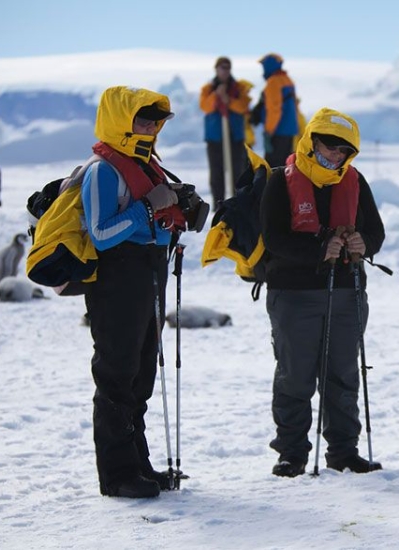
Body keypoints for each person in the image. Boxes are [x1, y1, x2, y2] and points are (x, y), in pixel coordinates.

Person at [260, 107, 386, 477]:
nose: (337, 155)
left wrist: (365, 243)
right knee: (295, 376)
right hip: (293, 294)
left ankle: (344, 451)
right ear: (312, 140)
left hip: (347, 290)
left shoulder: (356, 182)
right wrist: (319, 248)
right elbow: (274, 239)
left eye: (345, 151)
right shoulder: (278, 180)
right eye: (331, 146)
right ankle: (291, 453)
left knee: (343, 374)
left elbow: (375, 232)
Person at [82, 86, 192, 498]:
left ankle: (139, 465)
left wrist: (181, 212)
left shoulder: (149, 167)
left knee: (142, 374)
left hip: (149, 273)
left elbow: (155, 219)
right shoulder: (102, 171)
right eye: (142, 120)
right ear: (120, 121)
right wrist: (147, 209)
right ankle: (117, 474)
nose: (150, 128)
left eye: (155, 121)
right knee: (116, 375)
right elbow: (101, 232)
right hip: (116, 281)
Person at [200, 56, 251, 204]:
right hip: (215, 136)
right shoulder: (208, 88)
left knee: (238, 171)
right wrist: (216, 95)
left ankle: (238, 202)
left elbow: (243, 107)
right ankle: (219, 203)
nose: (225, 71)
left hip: (235, 136)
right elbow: (205, 106)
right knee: (217, 173)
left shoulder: (239, 87)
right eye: (222, 67)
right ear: (216, 69)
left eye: (227, 67)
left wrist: (228, 100)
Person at [250, 53, 299, 168]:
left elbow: (274, 109)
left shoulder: (273, 82)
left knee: (272, 169)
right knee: (286, 167)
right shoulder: (287, 80)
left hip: (277, 132)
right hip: (289, 131)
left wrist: (269, 131)